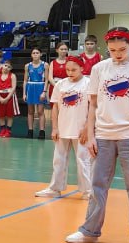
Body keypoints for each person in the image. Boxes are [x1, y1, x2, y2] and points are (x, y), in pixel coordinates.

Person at [66, 27, 129, 243]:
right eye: (113, 50)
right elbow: (93, 105)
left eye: (123, 49)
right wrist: (91, 135)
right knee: (98, 186)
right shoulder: (98, 69)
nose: (117, 53)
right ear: (106, 48)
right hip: (104, 136)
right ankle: (89, 230)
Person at [36, 55, 92, 199]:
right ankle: (55, 188)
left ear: (81, 68)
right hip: (63, 128)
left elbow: (93, 107)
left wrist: (87, 127)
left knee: (83, 160)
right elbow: (55, 107)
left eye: (74, 69)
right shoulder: (61, 85)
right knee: (58, 159)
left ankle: (87, 191)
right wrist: (55, 128)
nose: (70, 72)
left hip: (81, 129)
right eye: (67, 70)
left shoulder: (88, 83)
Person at [23, 47, 48, 139]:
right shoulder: (27, 66)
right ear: (31, 55)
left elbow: (46, 80)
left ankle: (42, 131)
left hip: (40, 87)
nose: (35, 54)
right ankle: (30, 130)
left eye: (37, 53)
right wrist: (24, 93)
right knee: (30, 111)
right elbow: (25, 80)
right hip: (30, 87)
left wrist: (44, 92)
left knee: (41, 111)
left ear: (40, 54)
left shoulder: (45, 65)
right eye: (33, 53)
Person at [0, 58, 18, 138]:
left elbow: (14, 87)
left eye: (8, 66)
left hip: (10, 96)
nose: (6, 67)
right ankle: (3, 130)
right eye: (5, 65)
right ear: (2, 66)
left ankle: (8, 130)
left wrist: (7, 98)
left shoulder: (12, 76)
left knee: (10, 115)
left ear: (11, 68)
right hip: (0, 96)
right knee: (1, 115)